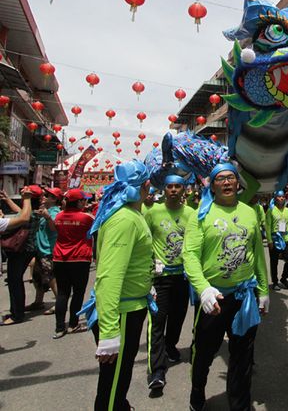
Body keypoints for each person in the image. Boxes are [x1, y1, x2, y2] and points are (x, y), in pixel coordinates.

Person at [183, 163, 269, 411]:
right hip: (214, 298)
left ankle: (239, 404)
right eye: (221, 179)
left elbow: (257, 255)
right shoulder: (201, 214)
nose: (227, 182)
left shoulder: (249, 212)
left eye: (231, 177)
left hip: (245, 296)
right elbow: (189, 255)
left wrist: (263, 290)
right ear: (213, 184)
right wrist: (203, 289)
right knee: (204, 352)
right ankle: (197, 389)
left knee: (243, 355)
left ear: (238, 182)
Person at [84, 161, 155, 410]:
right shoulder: (124, 219)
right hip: (122, 313)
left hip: (131, 307)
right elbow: (109, 276)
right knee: (112, 387)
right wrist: (110, 331)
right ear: (146, 186)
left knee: (118, 381)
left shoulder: (130, 214)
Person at [144, 175, 195, 391]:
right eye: (169, 186)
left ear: (184, 189)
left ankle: (171, 345)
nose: (173, 190)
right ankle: (157, 371)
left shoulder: (191, 214)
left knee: (177, 318)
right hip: (159, 278)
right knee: (157, 321)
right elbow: (144, 242)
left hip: (183, 277)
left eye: (177, 186)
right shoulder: (152, 212)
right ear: (164, 189)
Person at [52, 188, 94, 339]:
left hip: (59, 259)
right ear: (79, 202)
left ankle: (59, 328)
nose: (86, 202)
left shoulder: (58, 217)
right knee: (78, 293)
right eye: (84, 200)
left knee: (62, 293)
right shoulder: (86, 218)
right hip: (79, 259)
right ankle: (73, 324)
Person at [2, 185, 43, 325]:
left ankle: (17, 315)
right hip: (26, 250)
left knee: (15, 282)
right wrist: (8, 200)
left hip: (21, 250)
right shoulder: (35, 211)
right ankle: (16, 311)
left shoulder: (30, 214)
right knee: (15, 281)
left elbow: (23, 216)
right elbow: (21, 211)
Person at [28, 187, 63, 314]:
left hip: (48, 250)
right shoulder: (45, 210)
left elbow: (54, 229)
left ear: (54, 199)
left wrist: (48, 218)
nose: (43, 197)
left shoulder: (54, 212)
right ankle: (38, 301)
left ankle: (59, 302)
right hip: (40, 249)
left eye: (47, 195)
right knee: (38, 277)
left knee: (51, 277)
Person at [266, 190, 288, 290]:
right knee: (274, 262)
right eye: (279, 196)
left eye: (283, 197)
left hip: (286, 239)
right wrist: (269, 240)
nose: (281, 198)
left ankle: (284, 278)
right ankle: (275, 282)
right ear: (275, 198)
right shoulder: (271, 210)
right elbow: (268, 226)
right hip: (275, 239)